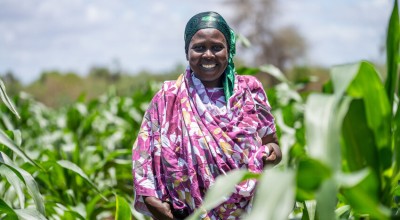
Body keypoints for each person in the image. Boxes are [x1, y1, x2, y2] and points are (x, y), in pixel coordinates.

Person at [132, 11, 282, 220]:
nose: (208, 55)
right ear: (187, 52)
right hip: (183, 214)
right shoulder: (168, 97)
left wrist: (271, 154)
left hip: (244, 212)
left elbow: (272, 144)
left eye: (217, 47)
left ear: (228, 51)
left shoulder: (250, 92)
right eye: (199, 48)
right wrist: (150, 200)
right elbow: (143, 156)